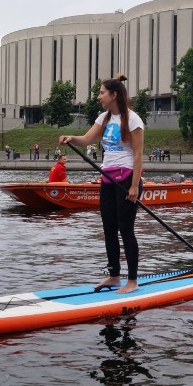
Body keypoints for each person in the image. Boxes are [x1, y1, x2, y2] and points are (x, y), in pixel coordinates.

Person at [59, 74, 144, 294]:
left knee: (126, 230)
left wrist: (134, 186)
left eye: (102, 93)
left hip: (126, 180)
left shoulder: (132, 119)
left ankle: (132, 281)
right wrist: (71, 138)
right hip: (107, 178)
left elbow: (138, 155)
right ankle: (114, 276)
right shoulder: (103, 118)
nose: (99, 97)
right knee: (108, 230)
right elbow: (86, 139)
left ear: (113, 95)